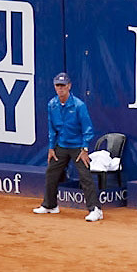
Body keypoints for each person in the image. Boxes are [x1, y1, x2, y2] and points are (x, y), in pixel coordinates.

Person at [33, 73, 103, 223]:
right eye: (58, 86)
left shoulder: (79, 106)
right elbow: (52, 128)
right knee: (51, 173)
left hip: (78, 147)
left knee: (85, 177)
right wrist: (51, 148)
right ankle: (50, 205)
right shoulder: (52, 104)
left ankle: (95, 210)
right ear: (55, 87)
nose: (61, 89)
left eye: (63, 86)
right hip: (61, 146)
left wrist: (85, 149)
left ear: (69, 86)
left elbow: (88, 128)